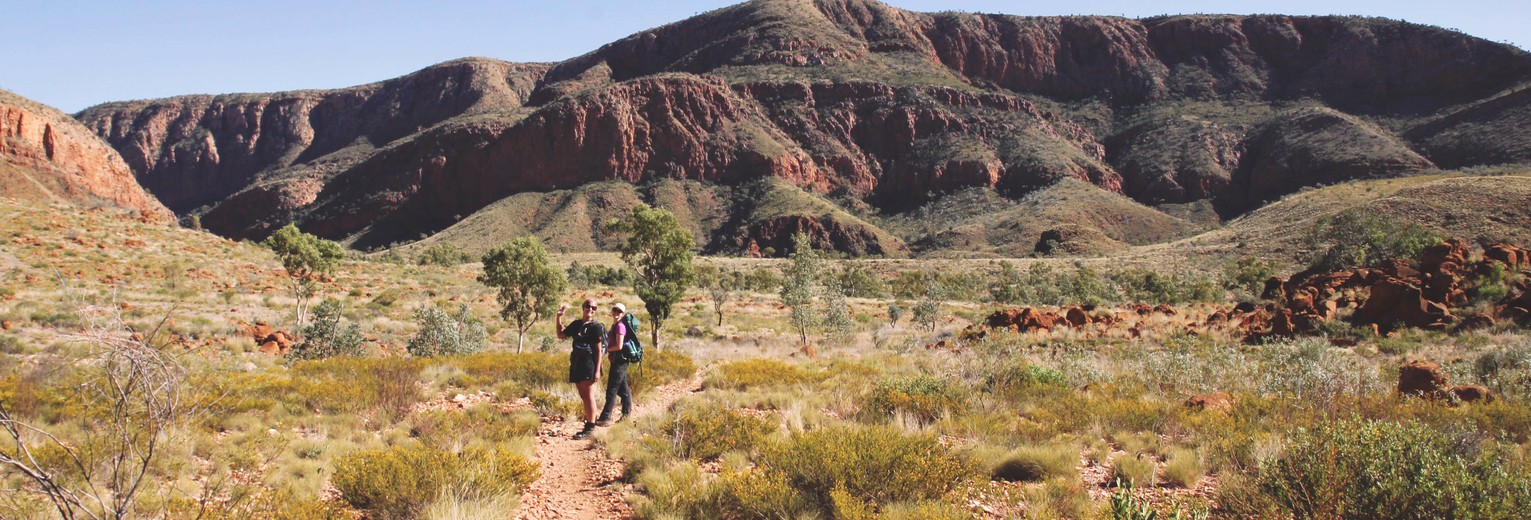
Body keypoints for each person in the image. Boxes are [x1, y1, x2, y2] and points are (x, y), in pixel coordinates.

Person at [556, 298, 605, 440]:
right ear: (583, 307)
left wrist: (597, 370)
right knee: (583, 395)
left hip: (589, 363)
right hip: (577, 361)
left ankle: (590, 427)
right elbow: (560, 335)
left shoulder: (596, 327)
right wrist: (559, 317)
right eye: (588, 307)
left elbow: (598, 350)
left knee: (589, 396)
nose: (590, 310)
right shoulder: (577, 324)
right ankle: (588, 424)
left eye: (594, 308)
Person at [596, 302, 633, 426]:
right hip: (617, 361)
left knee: (611, 390)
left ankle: (606, 417)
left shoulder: (620, 326)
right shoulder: (615, 325)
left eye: (619, 311)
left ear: (622, 314)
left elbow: (619, 346)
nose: (616, 313)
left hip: (620, 362)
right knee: (623, 390)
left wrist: (606, 350)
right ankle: (626, 414)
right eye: (615, 310)